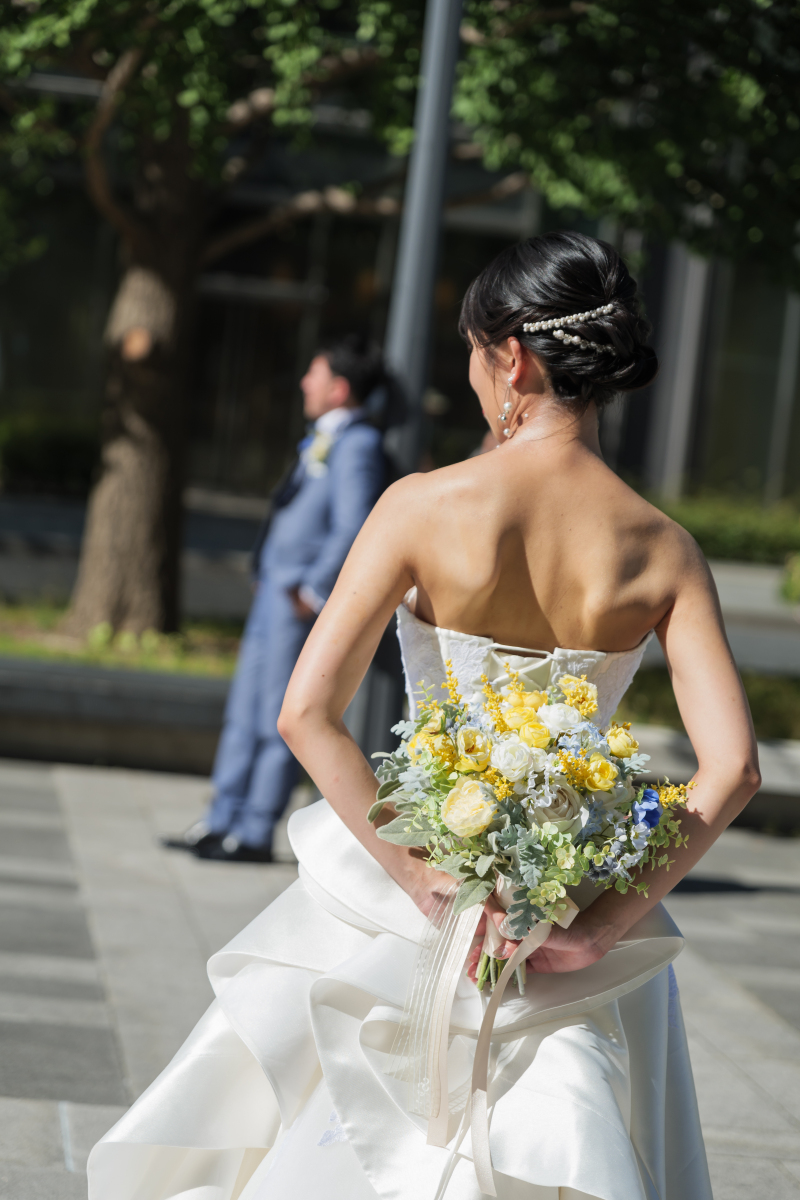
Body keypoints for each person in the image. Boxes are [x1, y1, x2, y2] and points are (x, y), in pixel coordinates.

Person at [90, 232, 759, 1199]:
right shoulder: (665, 550)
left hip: (410, 885)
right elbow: (733, 769)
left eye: (473, 353)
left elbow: (306, 712)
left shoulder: (420, 506)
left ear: (513, 358)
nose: (474, 377)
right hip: (561, 907)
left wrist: (422, 881)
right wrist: (597, 930)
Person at [166, 334, 387, 862]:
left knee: (276, 713)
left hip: (295, 599)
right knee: (244, 707)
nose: (305, 383)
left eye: (314, 374)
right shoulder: (324, 438)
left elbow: (353, 523)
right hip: (274, 589)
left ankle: (254, 828)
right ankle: (222, 817)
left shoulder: (357, 444)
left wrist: (310, 588)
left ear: (339, 389)